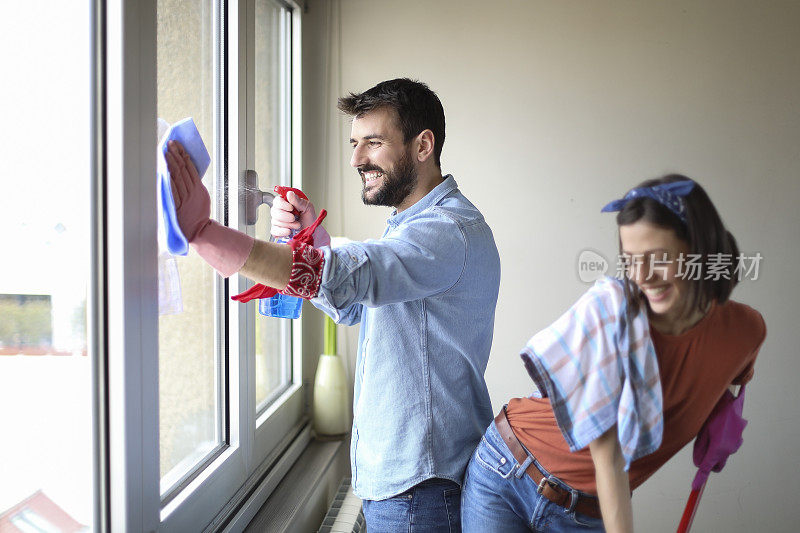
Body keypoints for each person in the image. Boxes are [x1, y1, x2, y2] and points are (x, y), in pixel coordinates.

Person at [166, 78, 501, 532]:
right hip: (414, 485)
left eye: (373, 143)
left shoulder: (446, 231)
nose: (356, 159)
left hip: (421, 491)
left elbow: (352, 274)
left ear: (424, 145)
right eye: (354, 143)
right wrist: (315, 241)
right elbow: (361, 305)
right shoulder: (415, 227)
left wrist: (205, 233)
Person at [460, 175, 766, 533]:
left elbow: (732, 383)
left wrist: (721, 423)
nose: (644, 276)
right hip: (506, 469)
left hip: (587, 512)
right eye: (632, 260)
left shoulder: (746, 331)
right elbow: (608, 457)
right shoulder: (613, 314)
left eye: (659, 258)